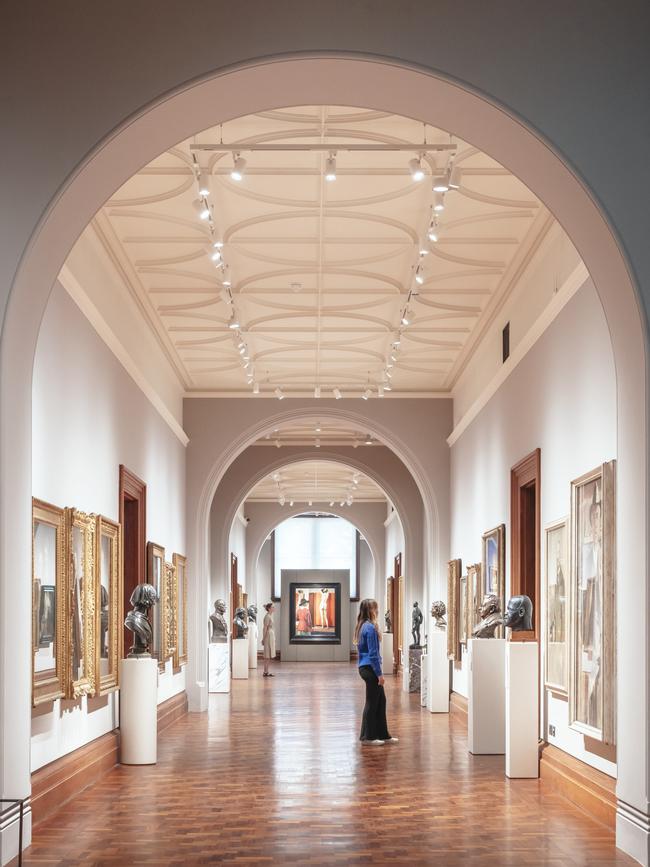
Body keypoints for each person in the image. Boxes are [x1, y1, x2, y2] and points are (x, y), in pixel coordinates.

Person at [354, 598, 398, 745]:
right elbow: (373, 654)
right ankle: (368, 737)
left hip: (365, 667)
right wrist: (380, 674)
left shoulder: (363, 626)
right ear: (370, 610)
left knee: (380, 701)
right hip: (370, 668)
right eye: (376, 608)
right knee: (372, 702)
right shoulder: (370, 628)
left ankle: (382, 734)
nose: (378, 611)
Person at [262, 601, 276, 677]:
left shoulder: (270, 616)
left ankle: (266, 671)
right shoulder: (267, 616)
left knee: (269, 654)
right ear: (269, 608)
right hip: (268, 636)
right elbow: (265, 628)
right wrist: (263, 638)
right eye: (273, 607)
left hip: (270, 635)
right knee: (267, 654)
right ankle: (265, 671)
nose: (274, 608)